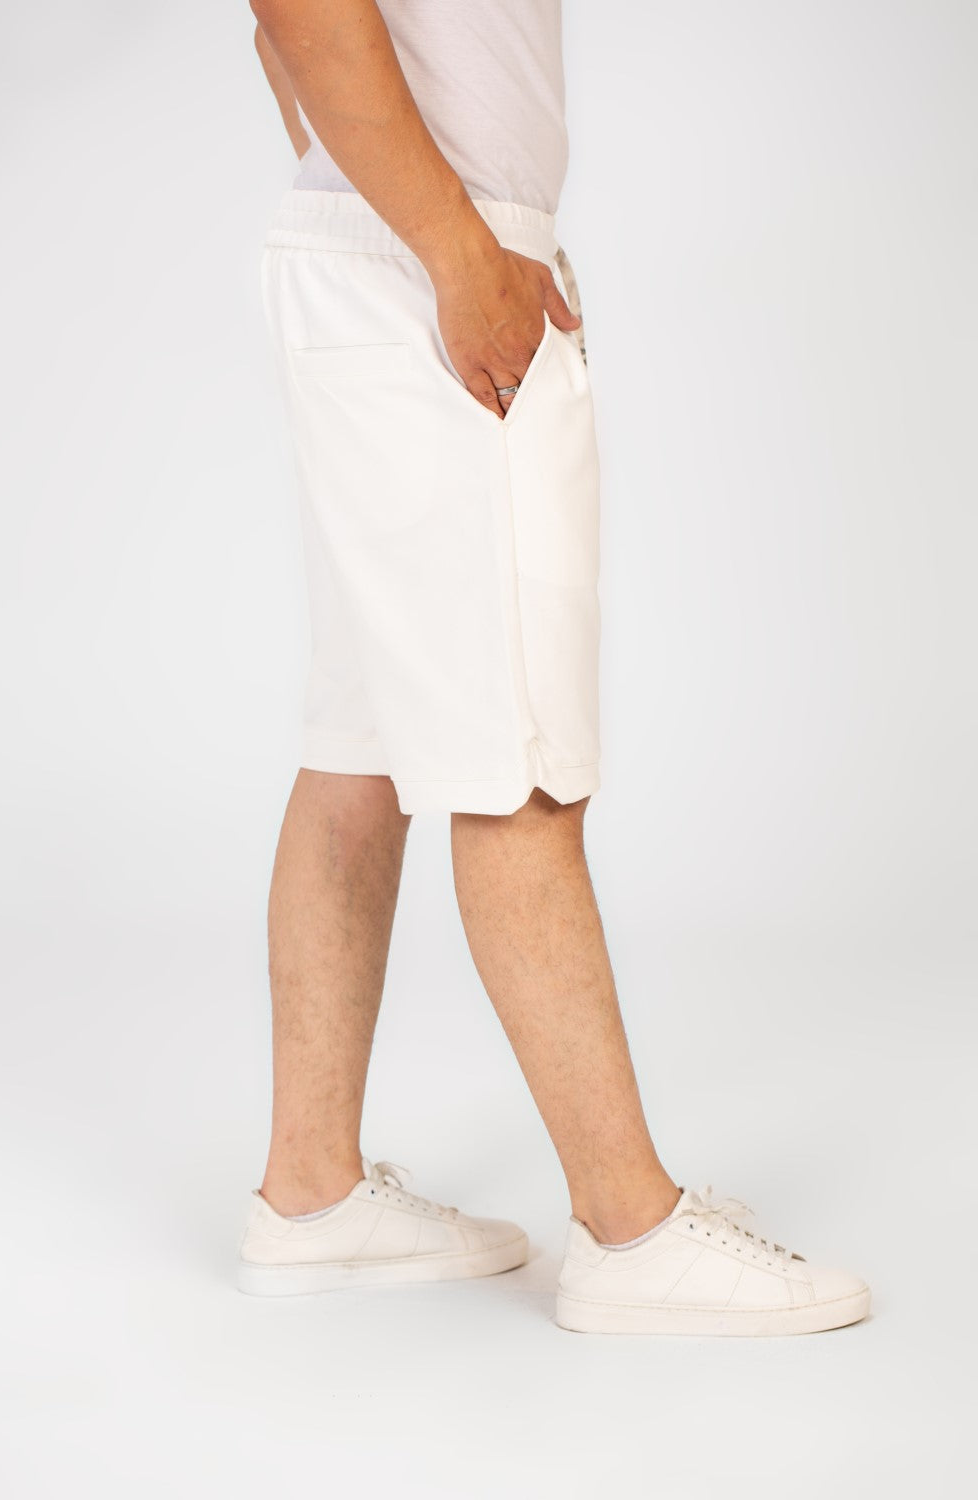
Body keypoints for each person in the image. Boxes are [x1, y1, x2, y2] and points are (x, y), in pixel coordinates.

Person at [238, 0, 870, 1336]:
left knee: (361, 748)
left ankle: (312, 1191)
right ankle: (629, 1230)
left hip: (380, 243)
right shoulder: (444, 250)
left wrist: (399, 213)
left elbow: (272, 37)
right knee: (516, 757)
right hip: (431, 259)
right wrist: (456, 245)